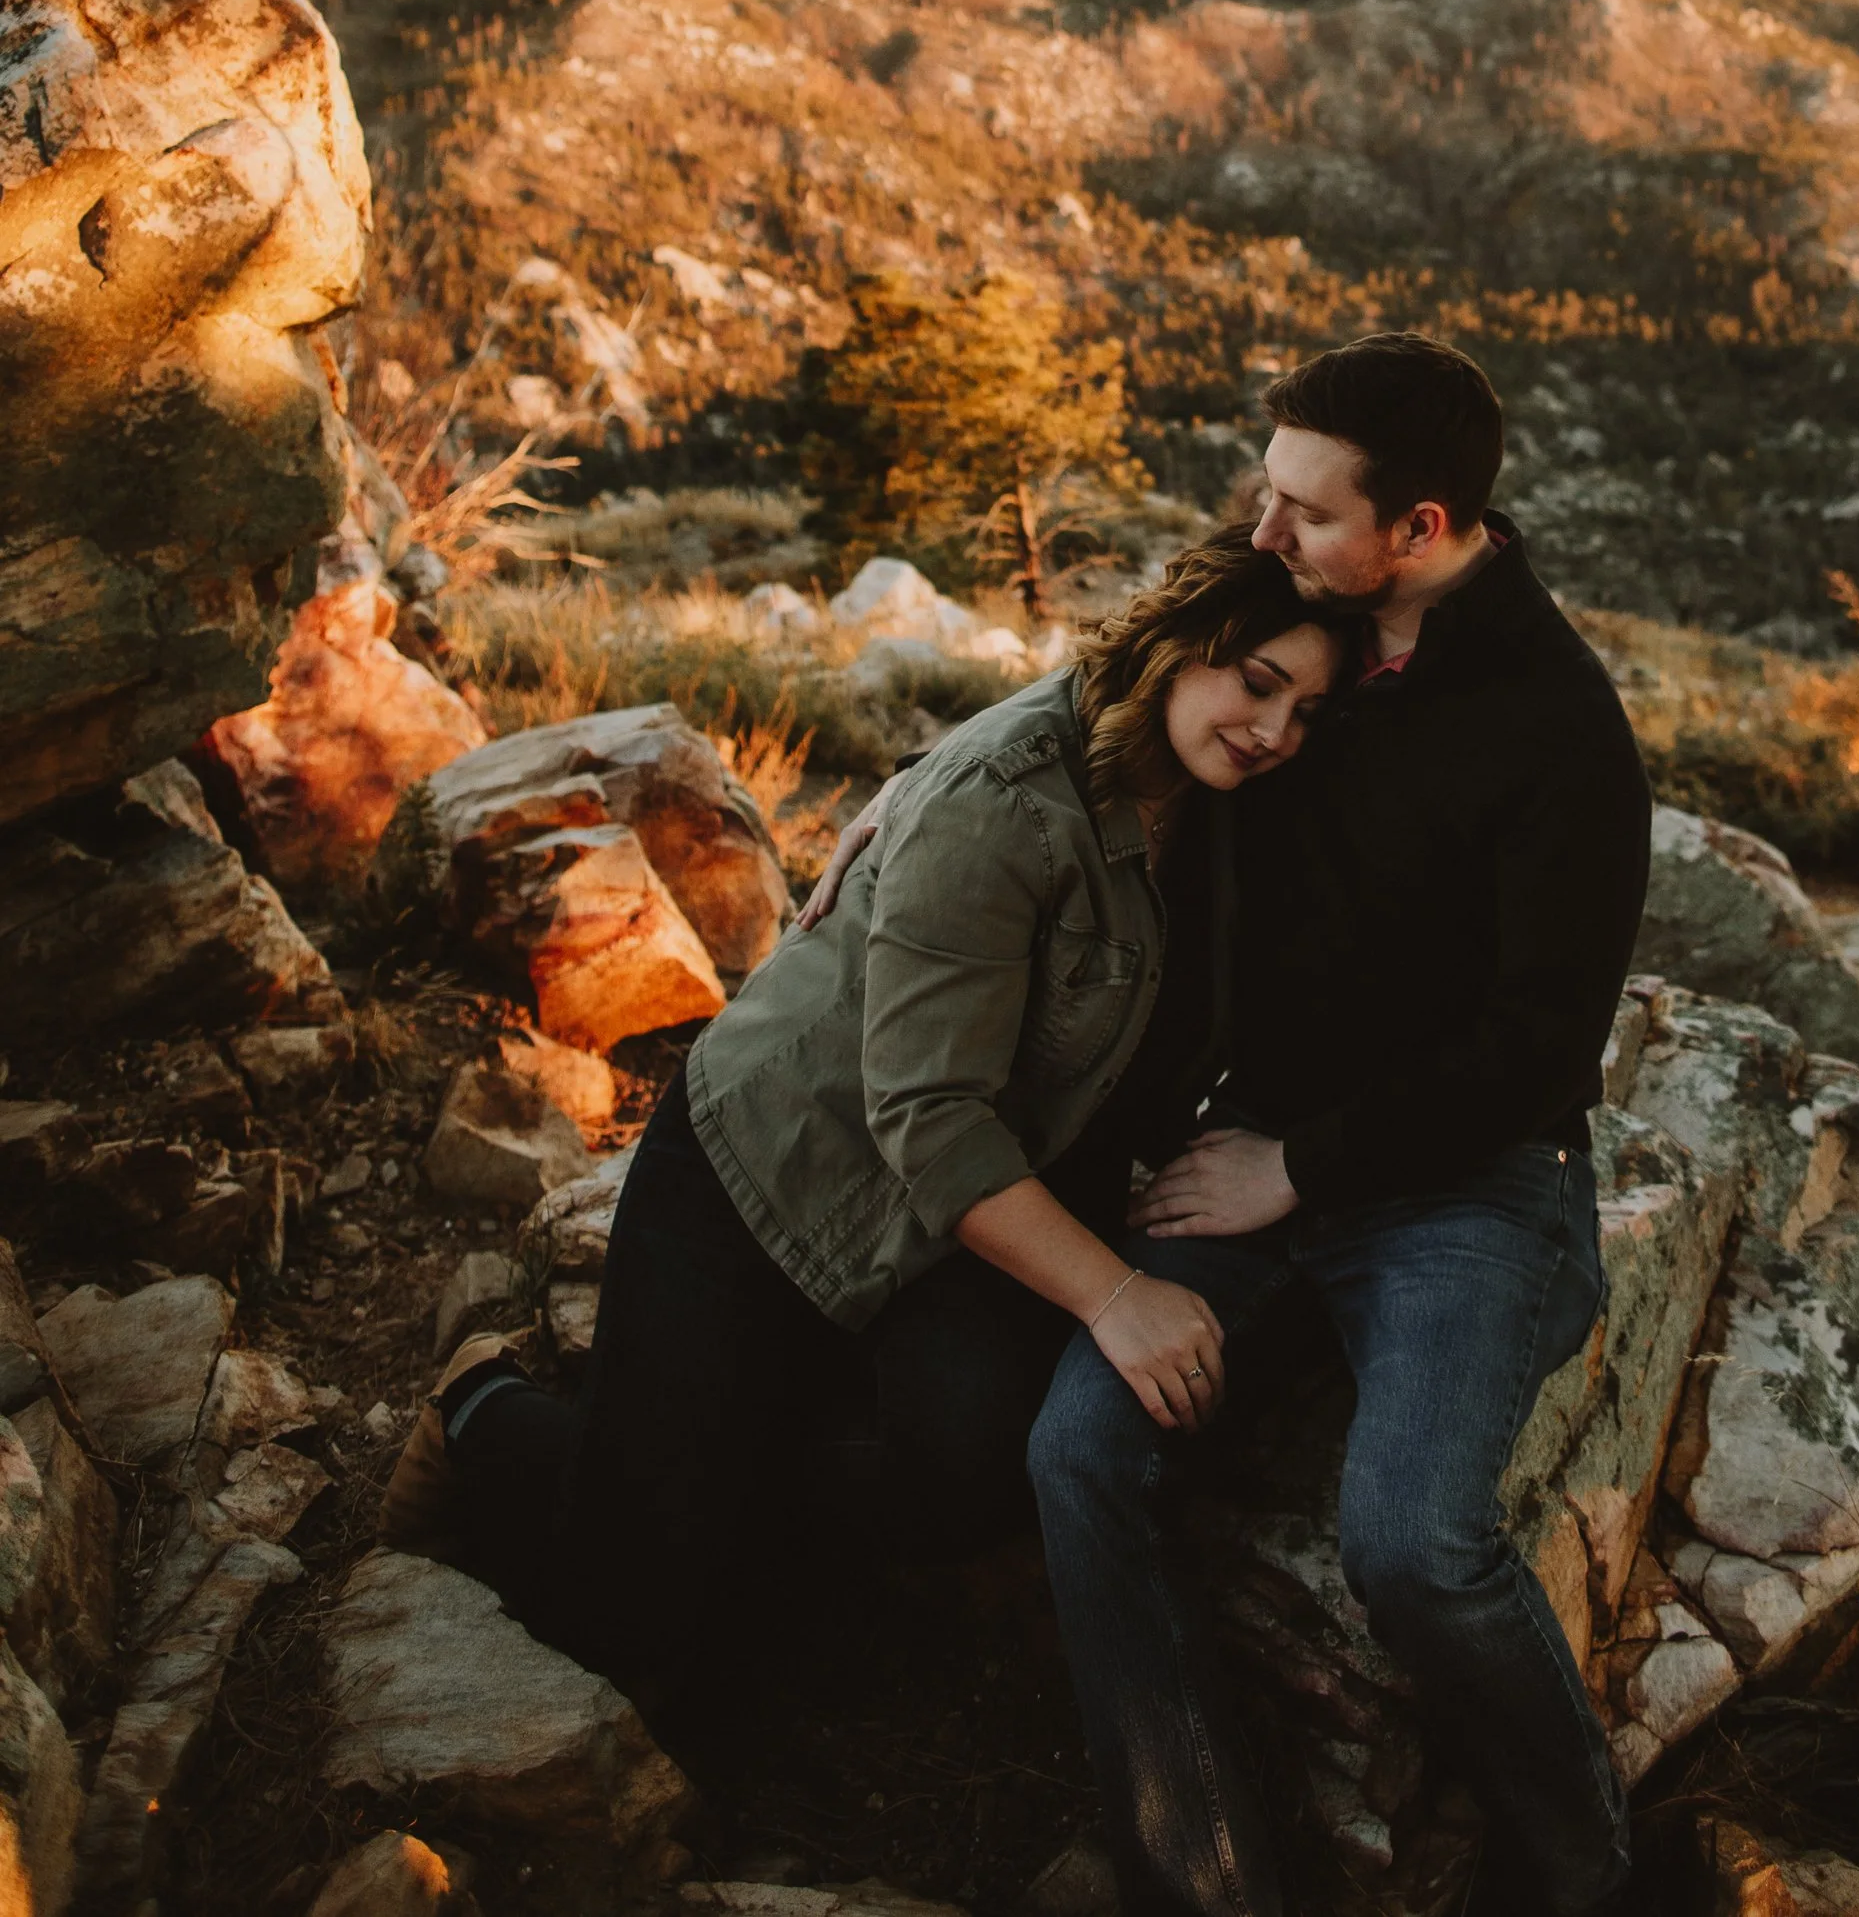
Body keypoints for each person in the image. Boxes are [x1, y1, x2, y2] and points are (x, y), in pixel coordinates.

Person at [379, 526, 1349, 1746]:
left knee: (971, 1465)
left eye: (1308, 710)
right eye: (1256, 684)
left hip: (991, 1185)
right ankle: (488, 1413)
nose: (1273, 732)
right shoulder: (1012, 802)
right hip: (782, 1168)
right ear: (1174, 649)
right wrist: (1114, 1296)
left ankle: (721, 1468)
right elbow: (928, 1120)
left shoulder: (1226, 796)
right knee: (633, 1616)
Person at [1026, 332, 1655, 1917]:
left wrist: (1294, 1171)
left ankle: (1582, 1873)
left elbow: (1536, 1052)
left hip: (1470, 1188)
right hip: (1257, 1146)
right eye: (1268, 492)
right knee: (1078, 1450)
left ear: (1424, 531)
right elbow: (1134, 672)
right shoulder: (1295, 617)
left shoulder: (1561, 730)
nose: (1262, 530)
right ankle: (1205, 1873)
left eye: (1305, 509)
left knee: (1411, 1543)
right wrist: (930, 796)